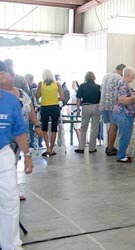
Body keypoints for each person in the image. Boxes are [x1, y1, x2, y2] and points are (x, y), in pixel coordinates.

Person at [0, 60, 34, 250]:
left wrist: (27, 154)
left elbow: (20, 130)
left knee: (10, 202)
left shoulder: (12, 100)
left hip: (4, 154)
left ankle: (11, 245)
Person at [35, 69, 65, 157]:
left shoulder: (41, 83)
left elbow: (37, 96)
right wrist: (55, 99)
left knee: (44, 128)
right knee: (54, 128)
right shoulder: (57, 84)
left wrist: (43, 98)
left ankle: (47, 147)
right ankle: (52, 148)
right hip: (55, 107)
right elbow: (63, 97)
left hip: (44, 107)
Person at [100, 64, 126, 156]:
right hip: (113, 104)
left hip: (104, 104)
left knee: (111, 126)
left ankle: (109, 146)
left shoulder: (106, 75)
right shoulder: (119, 78)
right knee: (114, 126)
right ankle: (110, 148)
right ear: (122, 71)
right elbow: (122, 91)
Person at [113, 67, 135, 163]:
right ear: (127, 75)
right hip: (123, 113)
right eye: (133, 76)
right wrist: (134, 97)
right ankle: (121, 155)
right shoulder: (123, 85)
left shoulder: (124, 84)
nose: (134, 78)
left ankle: (123, 154)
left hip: (123, 113)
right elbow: (122, 100)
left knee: (126, 135)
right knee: (125, 135)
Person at [74, 72, 101, 153]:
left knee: (83, 128)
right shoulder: (98, 87)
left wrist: (78, 109)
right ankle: (92, 148)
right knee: (94, 128)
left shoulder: (82, 86)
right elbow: (101, 98)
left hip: (85, 106)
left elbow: (78, 98)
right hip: (96, 107)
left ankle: (81, 147)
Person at [25, 73, 42, 148]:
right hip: (38, 109)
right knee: (37, 126)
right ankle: (39, 142)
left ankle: (33, 143)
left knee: (32, 126)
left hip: (34, 110)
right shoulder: (37, 87)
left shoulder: (31, 89)